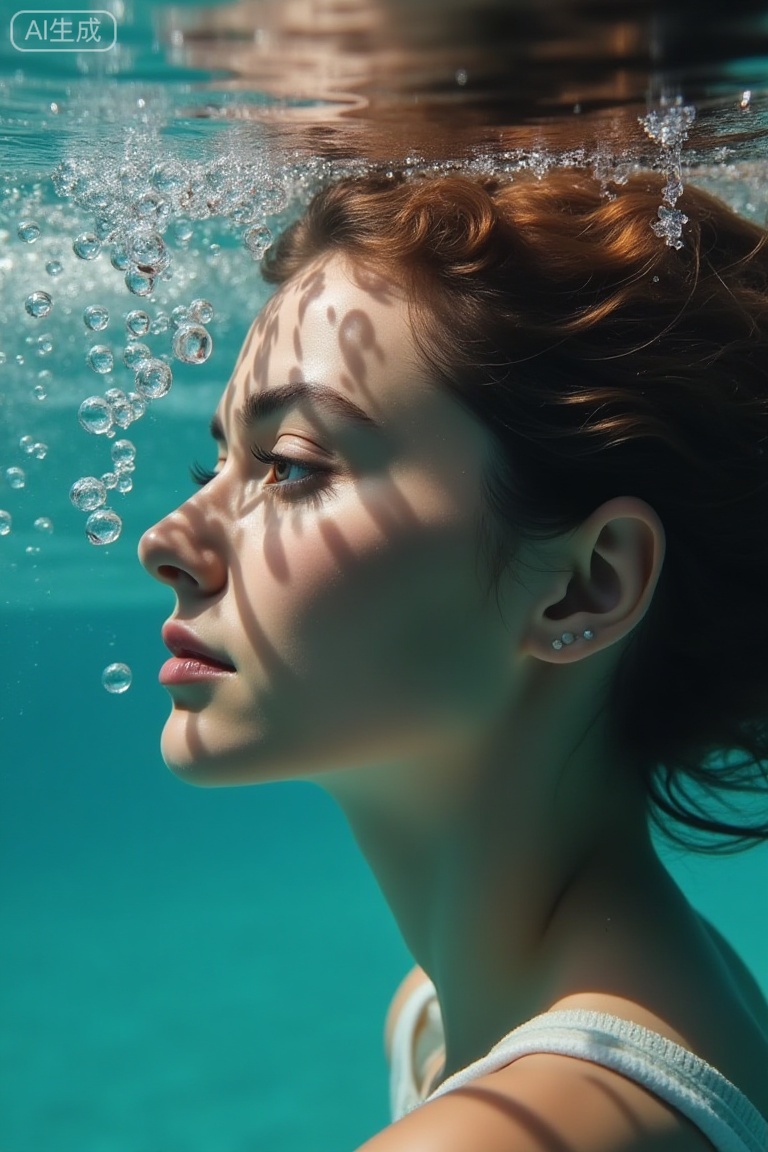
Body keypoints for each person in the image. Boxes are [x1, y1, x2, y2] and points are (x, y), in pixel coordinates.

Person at [139, 169, 768, 1151]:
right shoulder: (471, 1000)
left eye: (293, 466)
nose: (169, 540)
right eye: (213, 464)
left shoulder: (512, 1126)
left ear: (587, 586)